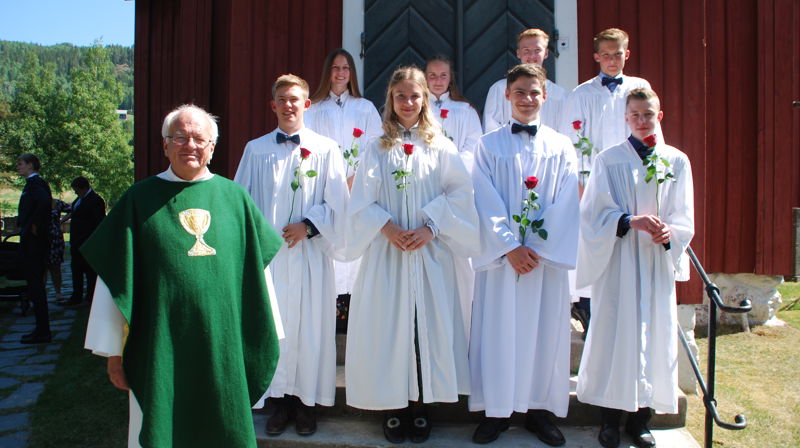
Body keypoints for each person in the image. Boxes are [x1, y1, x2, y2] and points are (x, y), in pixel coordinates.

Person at [83, 104, 283, 448]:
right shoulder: (138, 199)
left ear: (212, 147)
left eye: (199, 138)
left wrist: (268, 332)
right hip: (160, 346)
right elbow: (114, 279)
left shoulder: (235, 199)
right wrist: (113, 352)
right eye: (180, 137)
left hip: (222, 346)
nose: (190, 145)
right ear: (165, 145)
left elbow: (258, 275)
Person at [345, 65, 479, 444]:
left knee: (426, 329)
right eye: (401, 95)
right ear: (391, 99)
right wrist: (386, 227)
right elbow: (360, 200)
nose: (407, 102)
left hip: (429, 253)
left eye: (414, 95)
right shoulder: (376, 147)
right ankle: (393, 407)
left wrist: (431, 227)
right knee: (391, 330)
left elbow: (460, 194)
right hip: (387, 254)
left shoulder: (441, 146)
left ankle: (423, 408)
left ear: (426, 99)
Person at [576, 88, 694, 448]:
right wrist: (629, 220)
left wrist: (669, 231)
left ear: (660, 115)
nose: (642, 121)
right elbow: (593, 211)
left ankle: (641, 420)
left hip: (655, 261)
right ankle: (609, 420)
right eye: (635, 115)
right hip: (620, 260)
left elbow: (684, 214)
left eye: (648, 114)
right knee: (616, 335)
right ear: (625, 118)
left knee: (654, 334)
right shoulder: (609, 160)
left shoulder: (676, 161)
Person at [469, 64, 579, 446]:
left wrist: (537, 248)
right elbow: (483, 199)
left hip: (543, 264)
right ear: (507, 95)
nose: (527, 98)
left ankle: (539, 410)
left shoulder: (562, 146)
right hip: (503, 263)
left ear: (545, 95)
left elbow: (566, 202)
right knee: (498, 330)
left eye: (534, 92)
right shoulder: (488, 146)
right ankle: (496, 411)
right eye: (520, 91)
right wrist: (509, 247)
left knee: (543, 332)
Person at [235, 74, 348, 437]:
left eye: (294, 99)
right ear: (273, 105)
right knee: (275, 328)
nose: (288, 105)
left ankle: (307, 404)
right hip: (272, 261)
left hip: (311, 257)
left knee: (310, 329)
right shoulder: (256, 150)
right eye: (282, 99)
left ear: (306, 105)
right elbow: (242, 202)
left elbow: (338, 204)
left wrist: (309, 226)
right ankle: (279, 403)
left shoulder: (326, 148)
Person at [304, 49, 382, 331]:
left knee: (356, 245)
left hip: (357, 188)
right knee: (330, 241)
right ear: (328, 72)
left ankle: (354, 311)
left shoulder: (365, 108)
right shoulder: (315, 108)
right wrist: (333, 182)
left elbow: (376, 147)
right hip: (325, 187)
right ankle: (329, 309)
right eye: (335, 68)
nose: (340, 73)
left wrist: (353, 179)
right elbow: (309, 146)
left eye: (346, 68)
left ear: (352, 73)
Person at [483, 28, 568, 133]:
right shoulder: (499, 89)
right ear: (518, 53)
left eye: (537, 50)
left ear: (546, 53)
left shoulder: (559, 94)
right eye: (526, 50)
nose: (532, 56)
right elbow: (490, 128)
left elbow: (564, 130)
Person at [16, 153, 53, 344]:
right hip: (33, 242)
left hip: (34, 244)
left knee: (36, 286)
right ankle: (41, 329)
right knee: (34, 286)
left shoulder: (35, 184)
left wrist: (34, 225)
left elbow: (45, 202)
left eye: (20, 164)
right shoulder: (34, 184)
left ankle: (43, 332)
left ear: (30, 165)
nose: (18, 167)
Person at [59, 176, 105, 306]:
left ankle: (90, 297)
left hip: (87, 240)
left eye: (77, 190)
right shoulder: (79, 200)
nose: (75, 192)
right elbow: (74, 212)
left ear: (84, 188)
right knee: (76, 269)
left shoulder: (95, 200)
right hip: (76, 240)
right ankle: (76, 296)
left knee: (90, 271)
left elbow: (98, 221)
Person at [47, 197, 71, 302]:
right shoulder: (38, 202)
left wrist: (61, 221)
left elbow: (72, 209)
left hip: (55, 238)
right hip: (42, 238)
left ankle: (58, 291)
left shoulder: (57, 203)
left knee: (55, 267)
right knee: (42, 267)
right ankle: (41, 292)